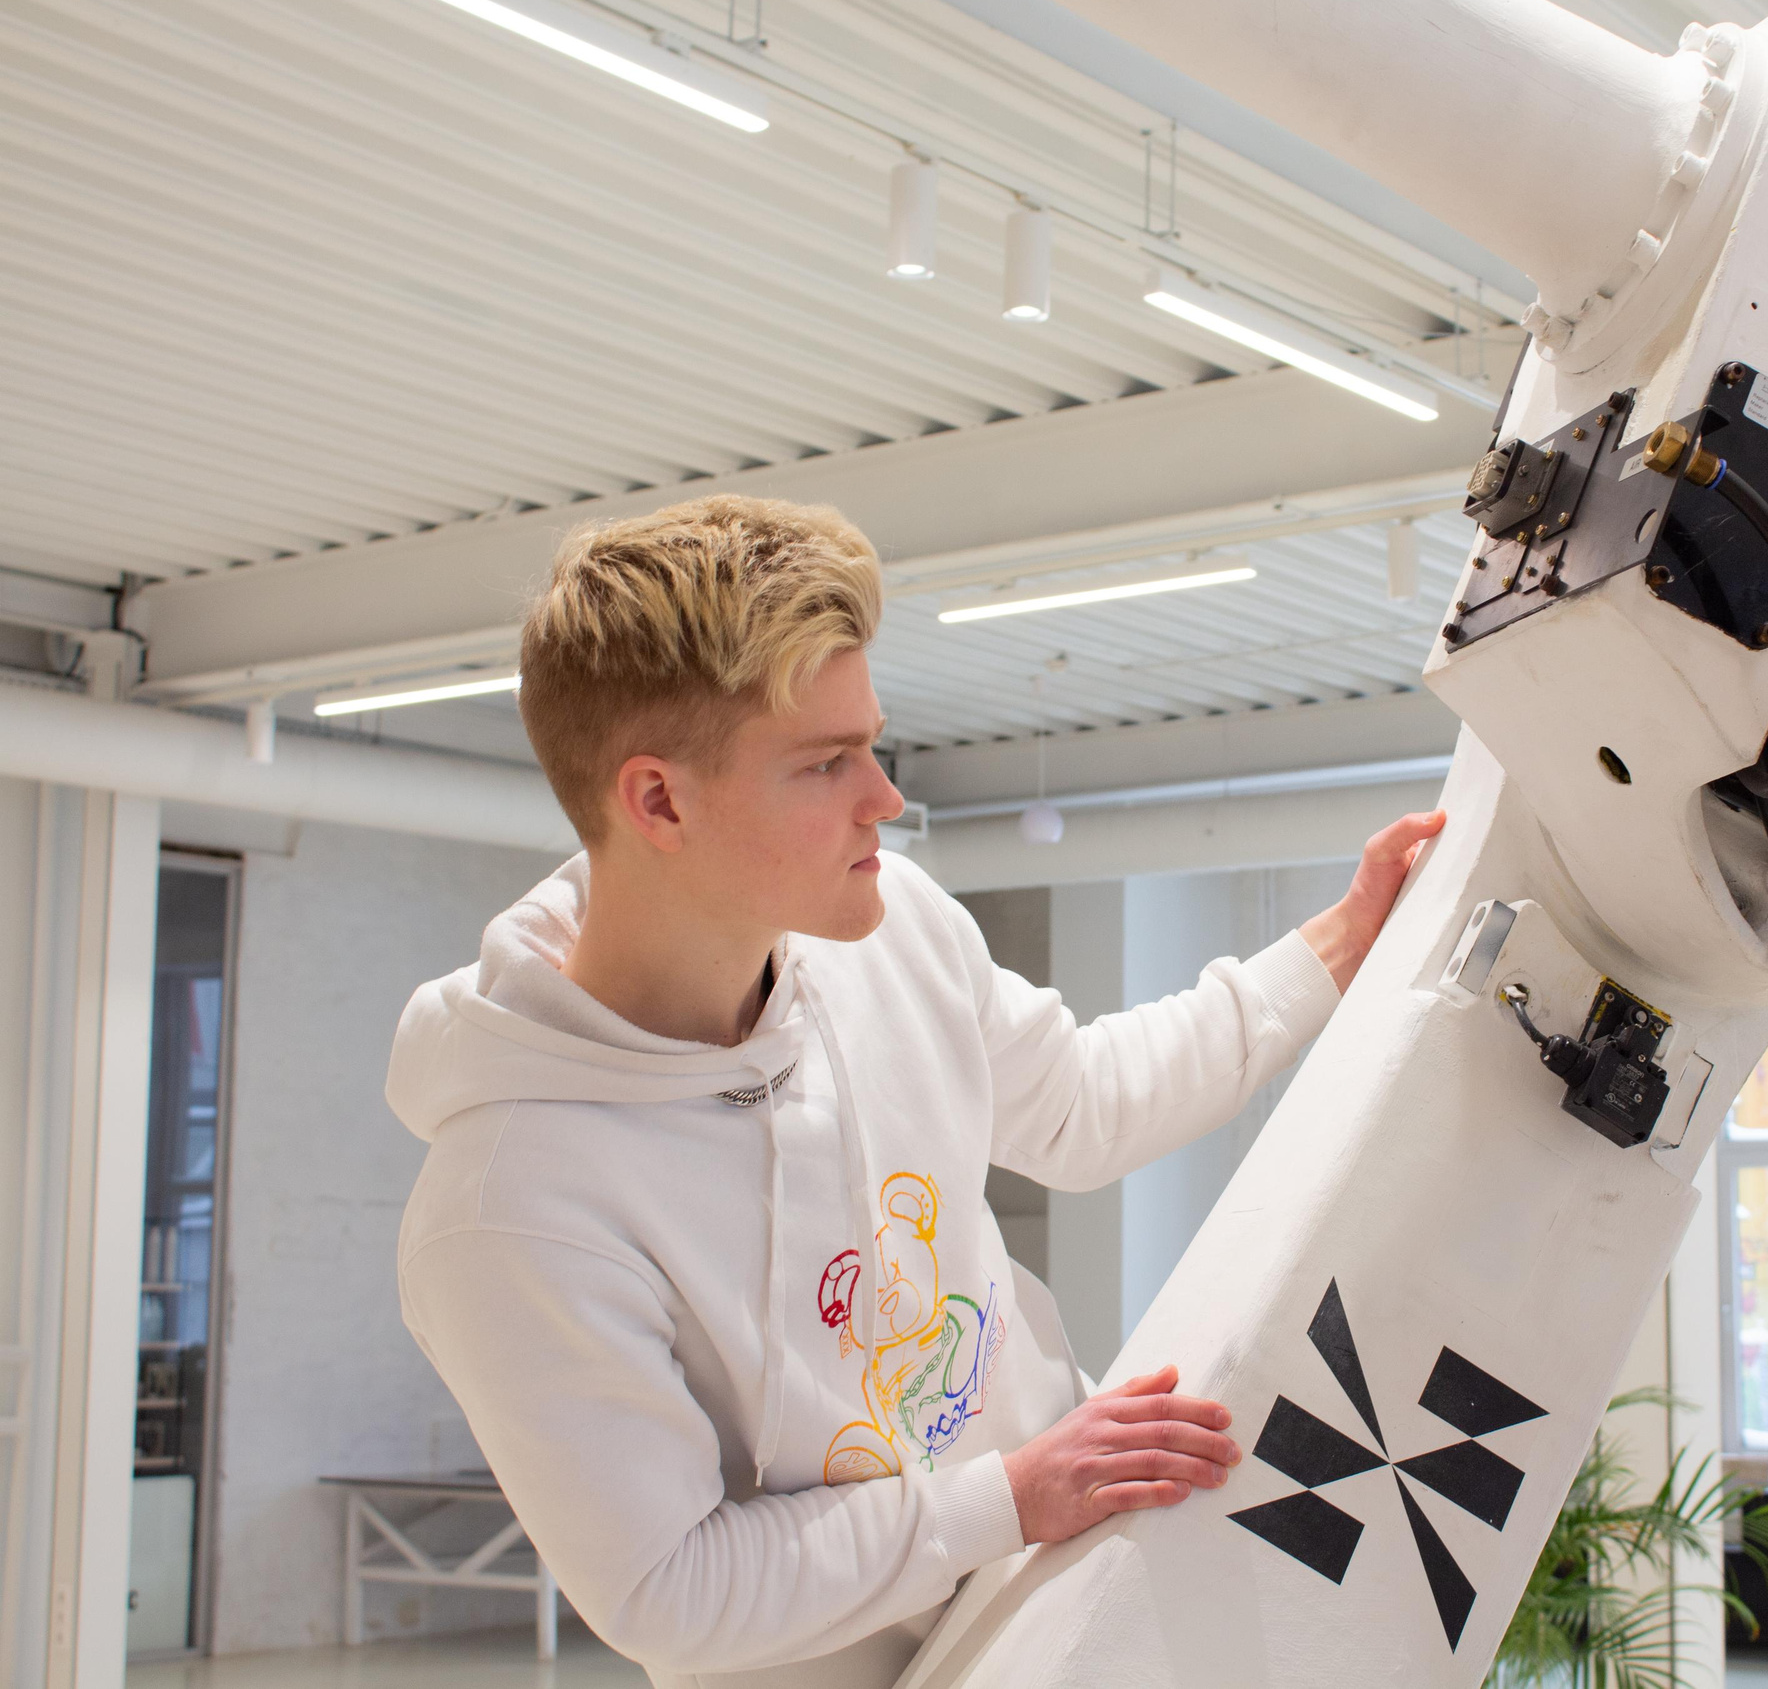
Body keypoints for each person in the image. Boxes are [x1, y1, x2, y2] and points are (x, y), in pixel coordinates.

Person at [385, 494, 1444, 1688]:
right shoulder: (510, 1205)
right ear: (658, 801)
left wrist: (1335, 950)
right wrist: (1012, 1495)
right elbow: (667, 1594)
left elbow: (1082, 1107)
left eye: (870, 743)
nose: (883, 797)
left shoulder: (889, 935)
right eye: (826, 763)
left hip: (1080, 1604)